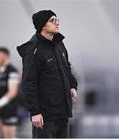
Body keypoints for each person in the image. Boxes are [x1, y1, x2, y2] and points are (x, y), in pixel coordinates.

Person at [17, 10, 78, 138]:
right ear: (42, 26)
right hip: (45, 116)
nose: (57, 23)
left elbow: (67, 68)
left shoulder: (59, 44)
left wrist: (72, 86)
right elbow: (29, 83)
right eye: (52, 20)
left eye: (57, 20)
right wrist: (35, 112)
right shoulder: (33, 50)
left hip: (63, 112)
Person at [0, 47, 19, 138]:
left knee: (9, 137)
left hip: (8, 107)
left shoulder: (12, 71)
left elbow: (12, 92)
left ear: (6, 56)